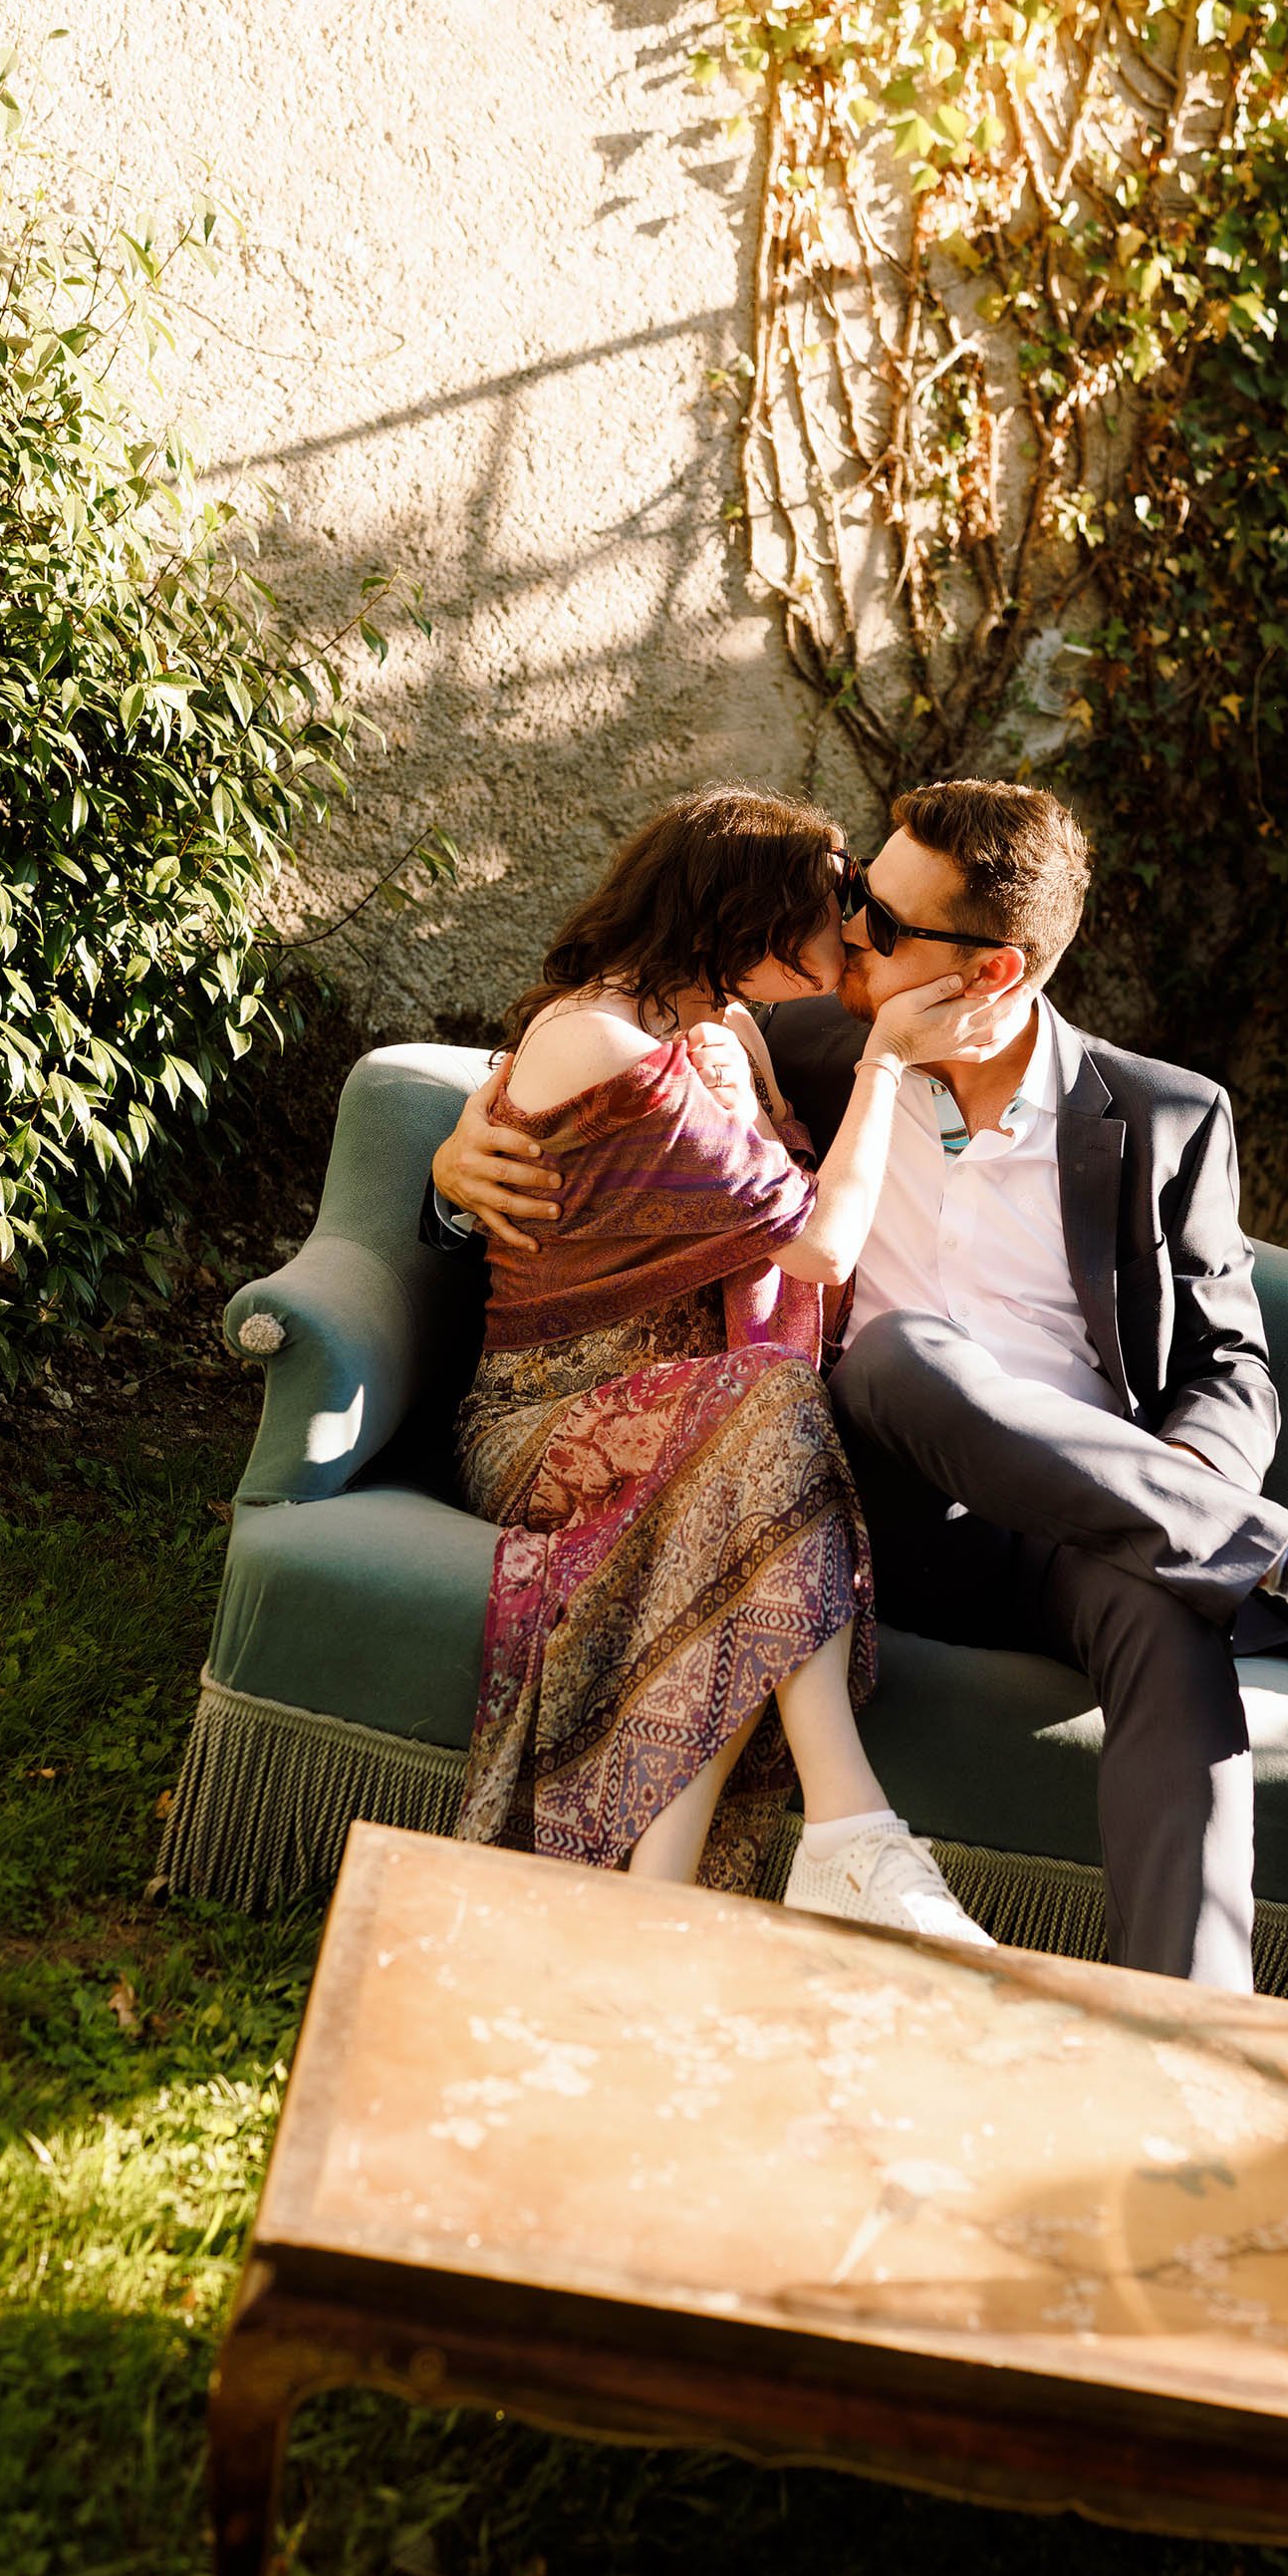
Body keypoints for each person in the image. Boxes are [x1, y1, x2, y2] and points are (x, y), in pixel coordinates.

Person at [431, 777, 1288, 1992]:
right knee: (903, 1353)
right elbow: (582, 1126)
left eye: (881, 928)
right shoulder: (808, 1044)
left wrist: (1166, 1500)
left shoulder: (1161, 1117)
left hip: (1078, 1522)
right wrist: (449, 1173)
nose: (846, 936)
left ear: (992, 972)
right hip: (859, 1498)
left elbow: (1228, 1365)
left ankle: (1193, 2030)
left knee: (1168, 1621)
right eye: (853, 906)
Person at [441, 783, 1002, 1944]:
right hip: (549, 1417)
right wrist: (887, 1064)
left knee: (744, 1510)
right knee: (766, 1411)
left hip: (697, 1416)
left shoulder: (725, 1032)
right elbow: (817, 1242)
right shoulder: (603, 1040)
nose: (853, 934)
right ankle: (851, 1829)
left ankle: (650, 1907)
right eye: (831, 908)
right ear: (744, 915)